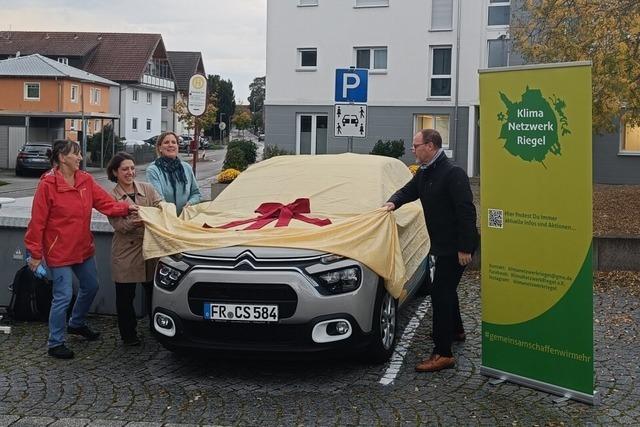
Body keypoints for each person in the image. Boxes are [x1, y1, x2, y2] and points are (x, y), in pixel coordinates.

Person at [24, 140, 138, 359]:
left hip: (82, 247)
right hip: (59, 252)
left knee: (91, 286)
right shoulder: (48, 184)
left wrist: (127, 207)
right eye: (76, 154)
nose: (80, 157)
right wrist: (35, 254)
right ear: (61, 157)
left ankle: (75, 323)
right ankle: (55, 342)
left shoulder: (85, 179)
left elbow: (105, 203)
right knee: (63, 296)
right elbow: (37, 222)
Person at [383, 129, 478, 372]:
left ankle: (443, 353)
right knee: (446, 291)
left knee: (440, 294)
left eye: (416, 145)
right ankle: (455, 331)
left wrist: (466, 247)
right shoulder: (425, 173)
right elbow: (409, 191)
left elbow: (466, 211)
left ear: (431, 146)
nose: (412, 149)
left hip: (455, 247)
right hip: (440, 244)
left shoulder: (452, 173)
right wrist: (392, 202)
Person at [106, 152, 162, 346]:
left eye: (132, 168)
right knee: (125, 295)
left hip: (149, 248)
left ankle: (156, 328)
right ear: (115, 172)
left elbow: (160, 206)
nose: (130, 172)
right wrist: (140, 222)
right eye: (124, 169)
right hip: (126, 251)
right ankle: (128, 335)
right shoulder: (111, 196)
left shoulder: (147, 188)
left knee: (153, 292)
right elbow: (119, 226)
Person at [146, 131, 201, 215]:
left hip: (186, 218)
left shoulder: (186, 168)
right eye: (166, 142)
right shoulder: (153, 170)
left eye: (174, 142)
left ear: (177, 146)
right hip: (165, 219)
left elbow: (196, 193)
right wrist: (171, 214)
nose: (170, 145)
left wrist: (190, 203)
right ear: (160, 148)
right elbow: (158, 199)